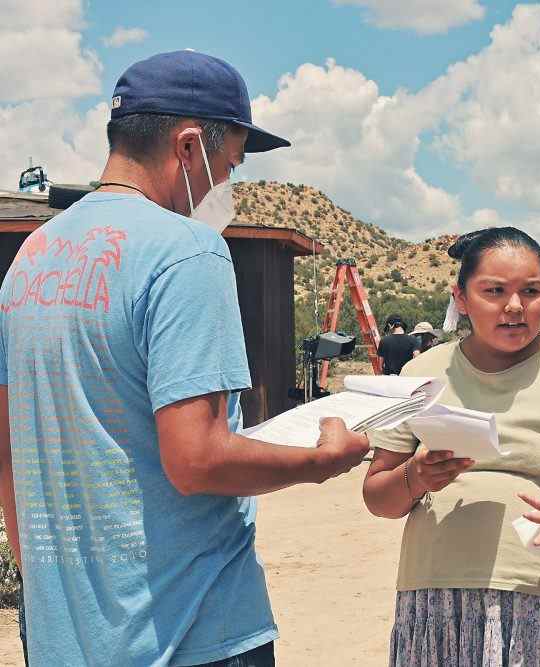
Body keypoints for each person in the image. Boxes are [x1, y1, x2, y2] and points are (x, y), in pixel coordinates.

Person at [0, 51, 370, 666]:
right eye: (228, 167)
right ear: (190, 146)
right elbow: (197, 459)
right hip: (188, 629)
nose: (226, 187)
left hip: (66, 636)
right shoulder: (187, 252)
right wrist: (318, 460)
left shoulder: (32, 259)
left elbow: (10, 451)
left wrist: (46, 596)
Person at [362, 227, 540, 666]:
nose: (514, 306)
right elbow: (378, 496)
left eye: (530, 291)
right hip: (440, 607)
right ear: (461, 297)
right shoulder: (421, 375)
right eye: (494, 291)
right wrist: (415, 476)